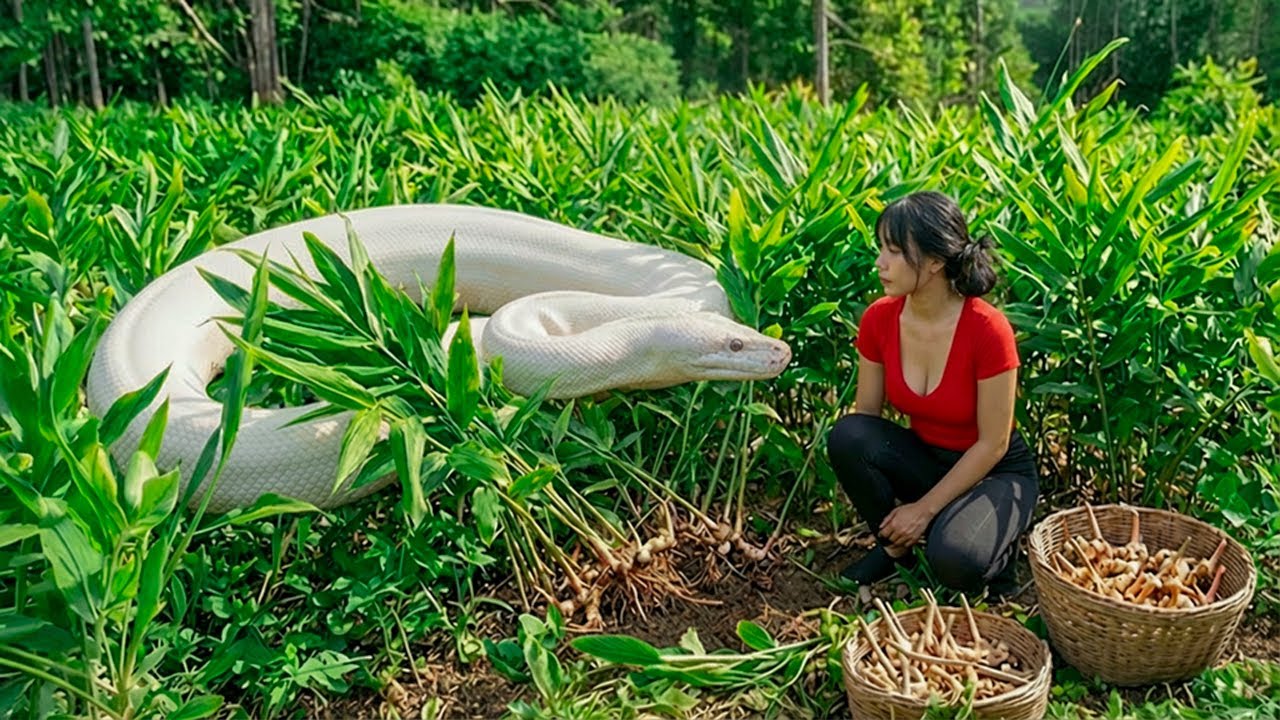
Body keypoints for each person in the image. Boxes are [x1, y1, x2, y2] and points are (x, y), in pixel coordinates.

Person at [826, 191, 1038, 593]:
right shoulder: (879, 320)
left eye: (894, 252)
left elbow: (994, 443)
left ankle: (986, 545)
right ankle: (894, 551)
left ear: (937, 261)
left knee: (954, 562)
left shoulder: (987, 329)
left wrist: (924, 510)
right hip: (928, 459)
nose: (880, 264)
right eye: (880, 249)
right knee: (848, 434)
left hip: (993, 471)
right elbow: (866, 417)